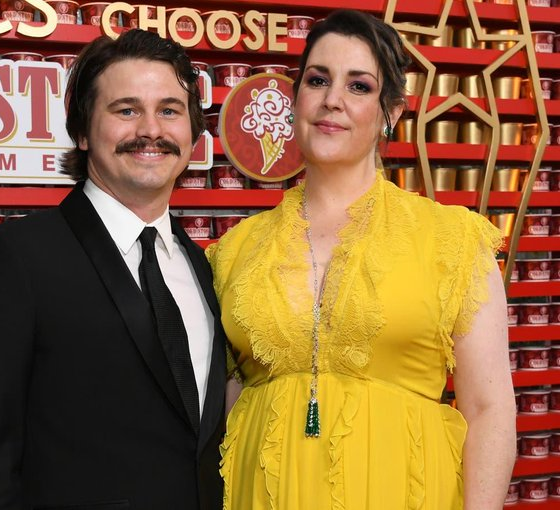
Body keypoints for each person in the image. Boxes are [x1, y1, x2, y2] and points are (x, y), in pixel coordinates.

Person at [207, 9, 516, 510]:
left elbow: (489, 409)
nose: (332, 100)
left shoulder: (451, 240)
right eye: (317, 80)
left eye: (359, 86)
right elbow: (228, 405)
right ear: (295, 99)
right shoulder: (236, 250)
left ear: (391, 111)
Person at [0, 29, 226, 510]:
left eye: (170, 110)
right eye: (126, 110)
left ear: (194, 136)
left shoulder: (200, 264)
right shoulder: (12, 258)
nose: (151, 129)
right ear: (81, 130)